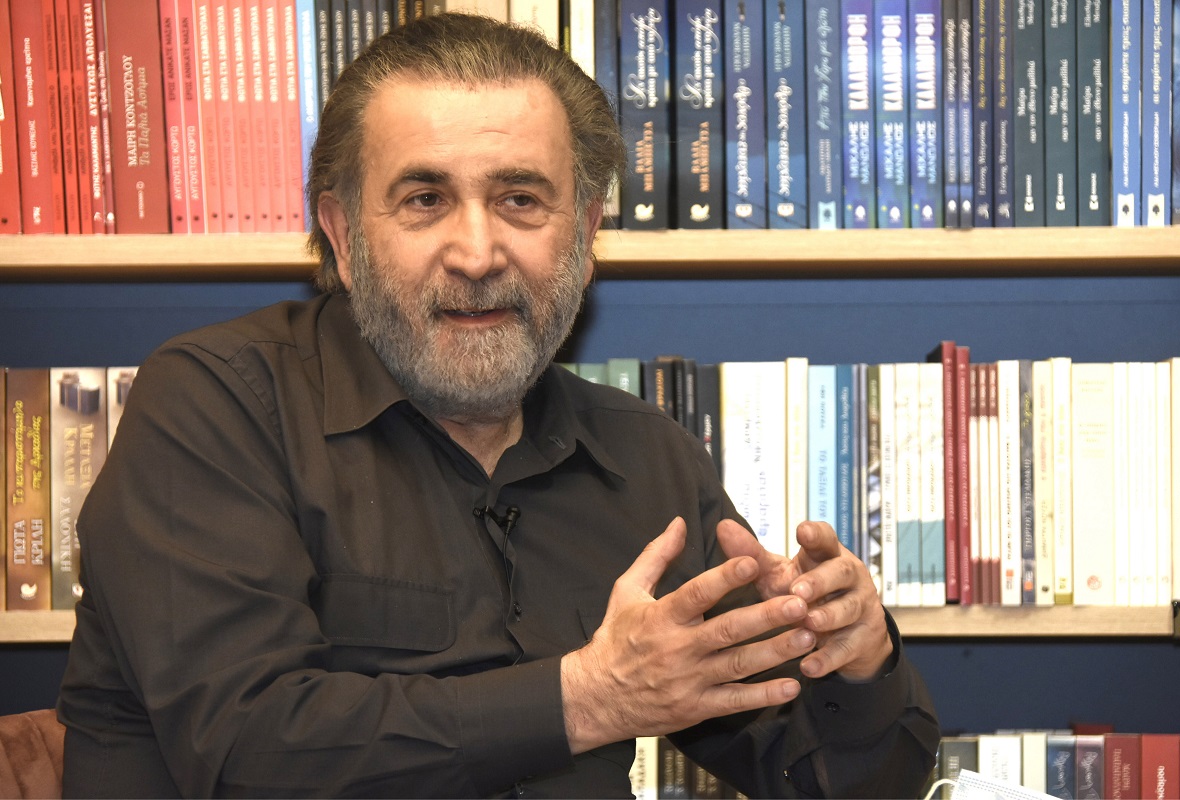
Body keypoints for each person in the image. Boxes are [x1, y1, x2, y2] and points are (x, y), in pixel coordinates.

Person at [57, 13, 939, 798]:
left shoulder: (645, 457)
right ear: (344, 236)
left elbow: (830, 780)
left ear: (584, 234)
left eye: (520, 199)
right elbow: (245, 752)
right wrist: (587, 698)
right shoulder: (215, 405)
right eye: (425, 199)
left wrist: (857, 662)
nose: (476, 253)